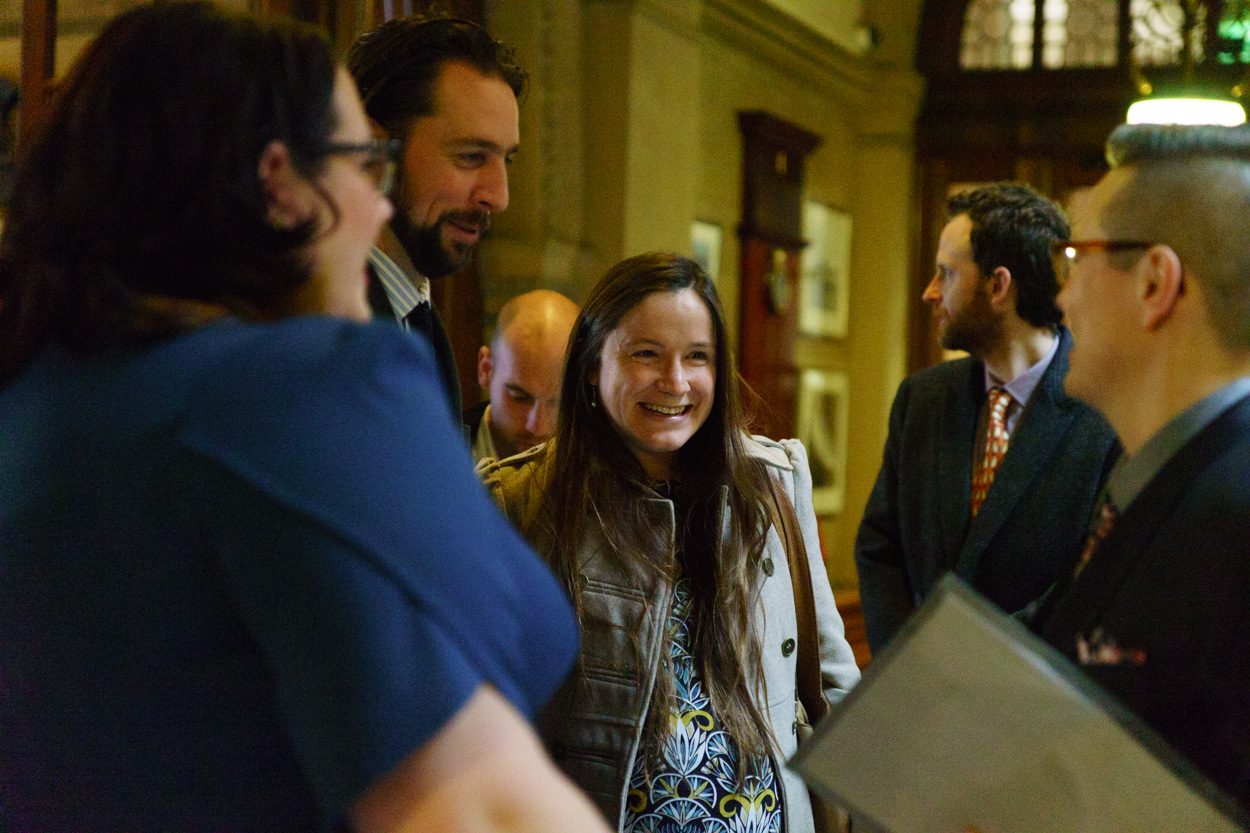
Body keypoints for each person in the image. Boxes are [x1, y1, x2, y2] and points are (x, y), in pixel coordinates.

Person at [0, 4, 609, 832]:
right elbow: (479, 803)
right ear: (282, 184)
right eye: (364, 163)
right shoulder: (291, 386)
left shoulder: (39, 394)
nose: (375, 207)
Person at [479, 252, 861, 833]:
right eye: (646, 354)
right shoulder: (519, 502)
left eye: (697, 357)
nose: (675, 381)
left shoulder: (773, 484)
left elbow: (831, 681)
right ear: (590, 365)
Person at [1032, 124, 1250, 811]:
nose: (1060, 297)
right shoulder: (1155, 480)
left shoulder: (1237, 511)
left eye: (1076, 255)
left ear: (1155, 281)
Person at [854, 183, 1119, 653]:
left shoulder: (1105, 407)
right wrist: (906, 660)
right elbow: (880, 546)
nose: (929, 292)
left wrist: (977, 664)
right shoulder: (922, 398)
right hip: (918, 691)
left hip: (1036, 698)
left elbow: (1095, 577)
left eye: (945, 274)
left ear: (998, 286)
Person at [348, 14, 523, 415]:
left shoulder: (420, 322)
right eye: (470, 157)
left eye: (505, 160)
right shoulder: (328, 329)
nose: (498, 196)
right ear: (375, 150)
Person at [467, 288, 579, 462]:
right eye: (519, 398)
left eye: (558, 402)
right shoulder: (435, 455)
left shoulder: (600, 473)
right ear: (486, 369)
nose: (537, 427)